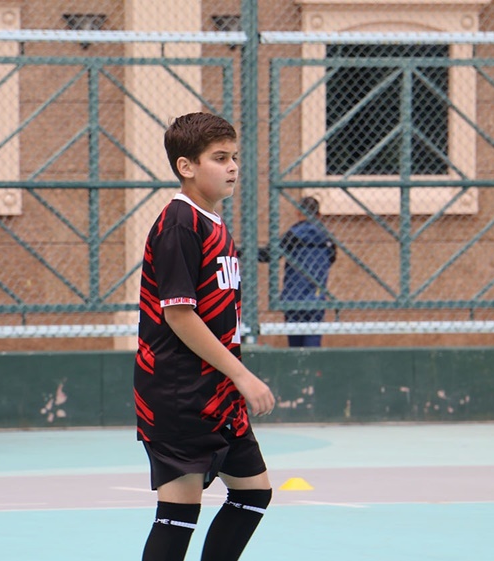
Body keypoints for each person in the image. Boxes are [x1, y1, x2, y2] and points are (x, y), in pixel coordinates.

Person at [134, 112, 276, 561]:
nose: (232, 166)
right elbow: (180, 316)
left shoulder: (212, 222)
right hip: (179, 391)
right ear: (186, 166)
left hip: (215, 391)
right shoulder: (180, 223)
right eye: (219, 158)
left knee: (253, 494)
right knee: (178, 515)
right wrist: (243, 375)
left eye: (234, 157)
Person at [271, 196, 336, 347]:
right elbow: (332, 258)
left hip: (293, 296)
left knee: (295, 345)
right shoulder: (327, 237)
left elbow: (271, 254)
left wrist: (241, 252)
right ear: (318, 215)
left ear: (298, 212)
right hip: (316, 297)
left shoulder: (293, 234)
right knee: (313, 342)